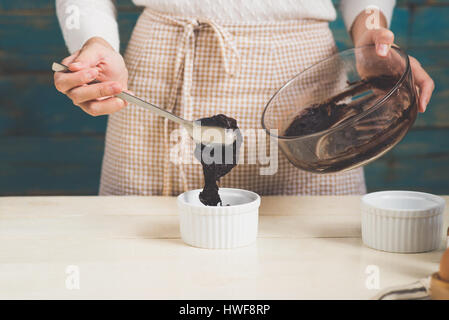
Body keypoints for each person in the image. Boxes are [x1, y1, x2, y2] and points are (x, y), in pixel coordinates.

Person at [54, 0, 434, 196]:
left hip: (306, 86)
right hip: (159, 73)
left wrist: (371, 28)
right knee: (142, 264)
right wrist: (95, 39)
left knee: (315, 260)